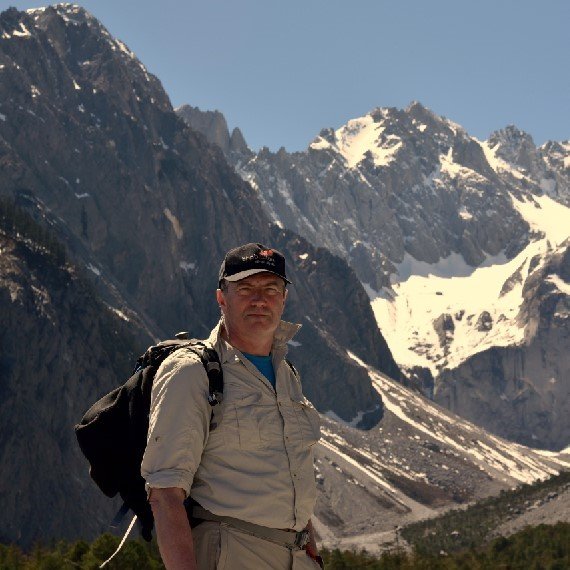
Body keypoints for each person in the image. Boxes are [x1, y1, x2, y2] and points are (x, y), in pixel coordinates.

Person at [141, 243, 323, 569]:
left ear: (284, 299)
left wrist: (305, 533)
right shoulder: (192, 371)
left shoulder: (287, 373)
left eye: (271, 288)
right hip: (230, 553)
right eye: (245, 288)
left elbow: (286, 466)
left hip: (296, 557)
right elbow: (165, 493)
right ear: (221, 298)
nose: (259, 299)